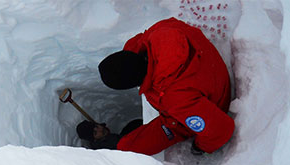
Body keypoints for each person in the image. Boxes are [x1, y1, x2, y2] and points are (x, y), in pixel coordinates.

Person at [95, 17, 235, 155]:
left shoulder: (174, 98)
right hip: (205, 64)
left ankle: (118, 148)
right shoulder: (159, 31)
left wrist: (200, 146)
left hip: (215, 99)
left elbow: (221, 130)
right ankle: (119, 145)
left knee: (128, 146)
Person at [76, 119, 143, 150]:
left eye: (96, 126)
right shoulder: (107, 146)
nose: (100, 130)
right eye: (95, 133)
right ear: (94, 139)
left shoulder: (105, 138)